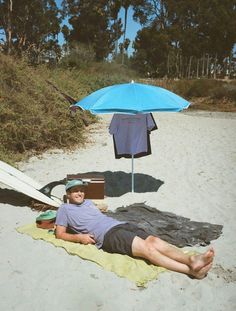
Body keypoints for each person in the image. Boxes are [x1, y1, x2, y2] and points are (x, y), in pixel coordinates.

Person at [55, 180, 215, 279]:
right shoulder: (64, 209)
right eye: (75, 191)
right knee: (147, 249)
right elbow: (59, 234)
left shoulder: (88, 202)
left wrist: (101, 206)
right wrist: (79, 238)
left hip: (118, 224)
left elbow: (100, 209)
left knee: (154, 240)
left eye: (81, 190)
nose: (79, 193)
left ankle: (191, 260)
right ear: (68, 194)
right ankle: (190, 271)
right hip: (107, 236)